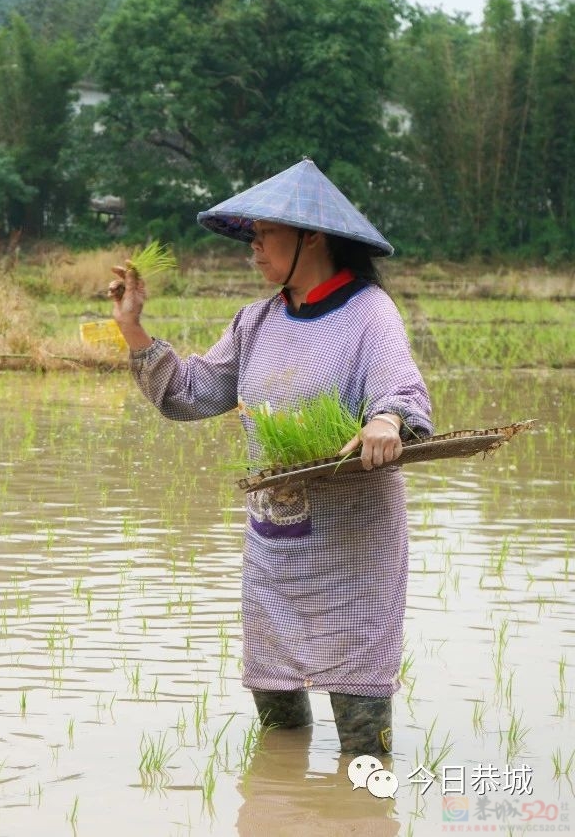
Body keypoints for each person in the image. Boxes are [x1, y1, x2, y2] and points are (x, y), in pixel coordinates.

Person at [110, 158, 432, 755]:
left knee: (363, 749)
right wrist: (133, 328)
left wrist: (386, 420)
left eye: (265, 236)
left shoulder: (368, 313)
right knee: (279, 738)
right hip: (274, 555)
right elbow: (188, 394)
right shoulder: (256, 321)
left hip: (351, 558)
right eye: (252, 237)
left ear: (312, 236)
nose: (253, 250)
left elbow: (401, 392)